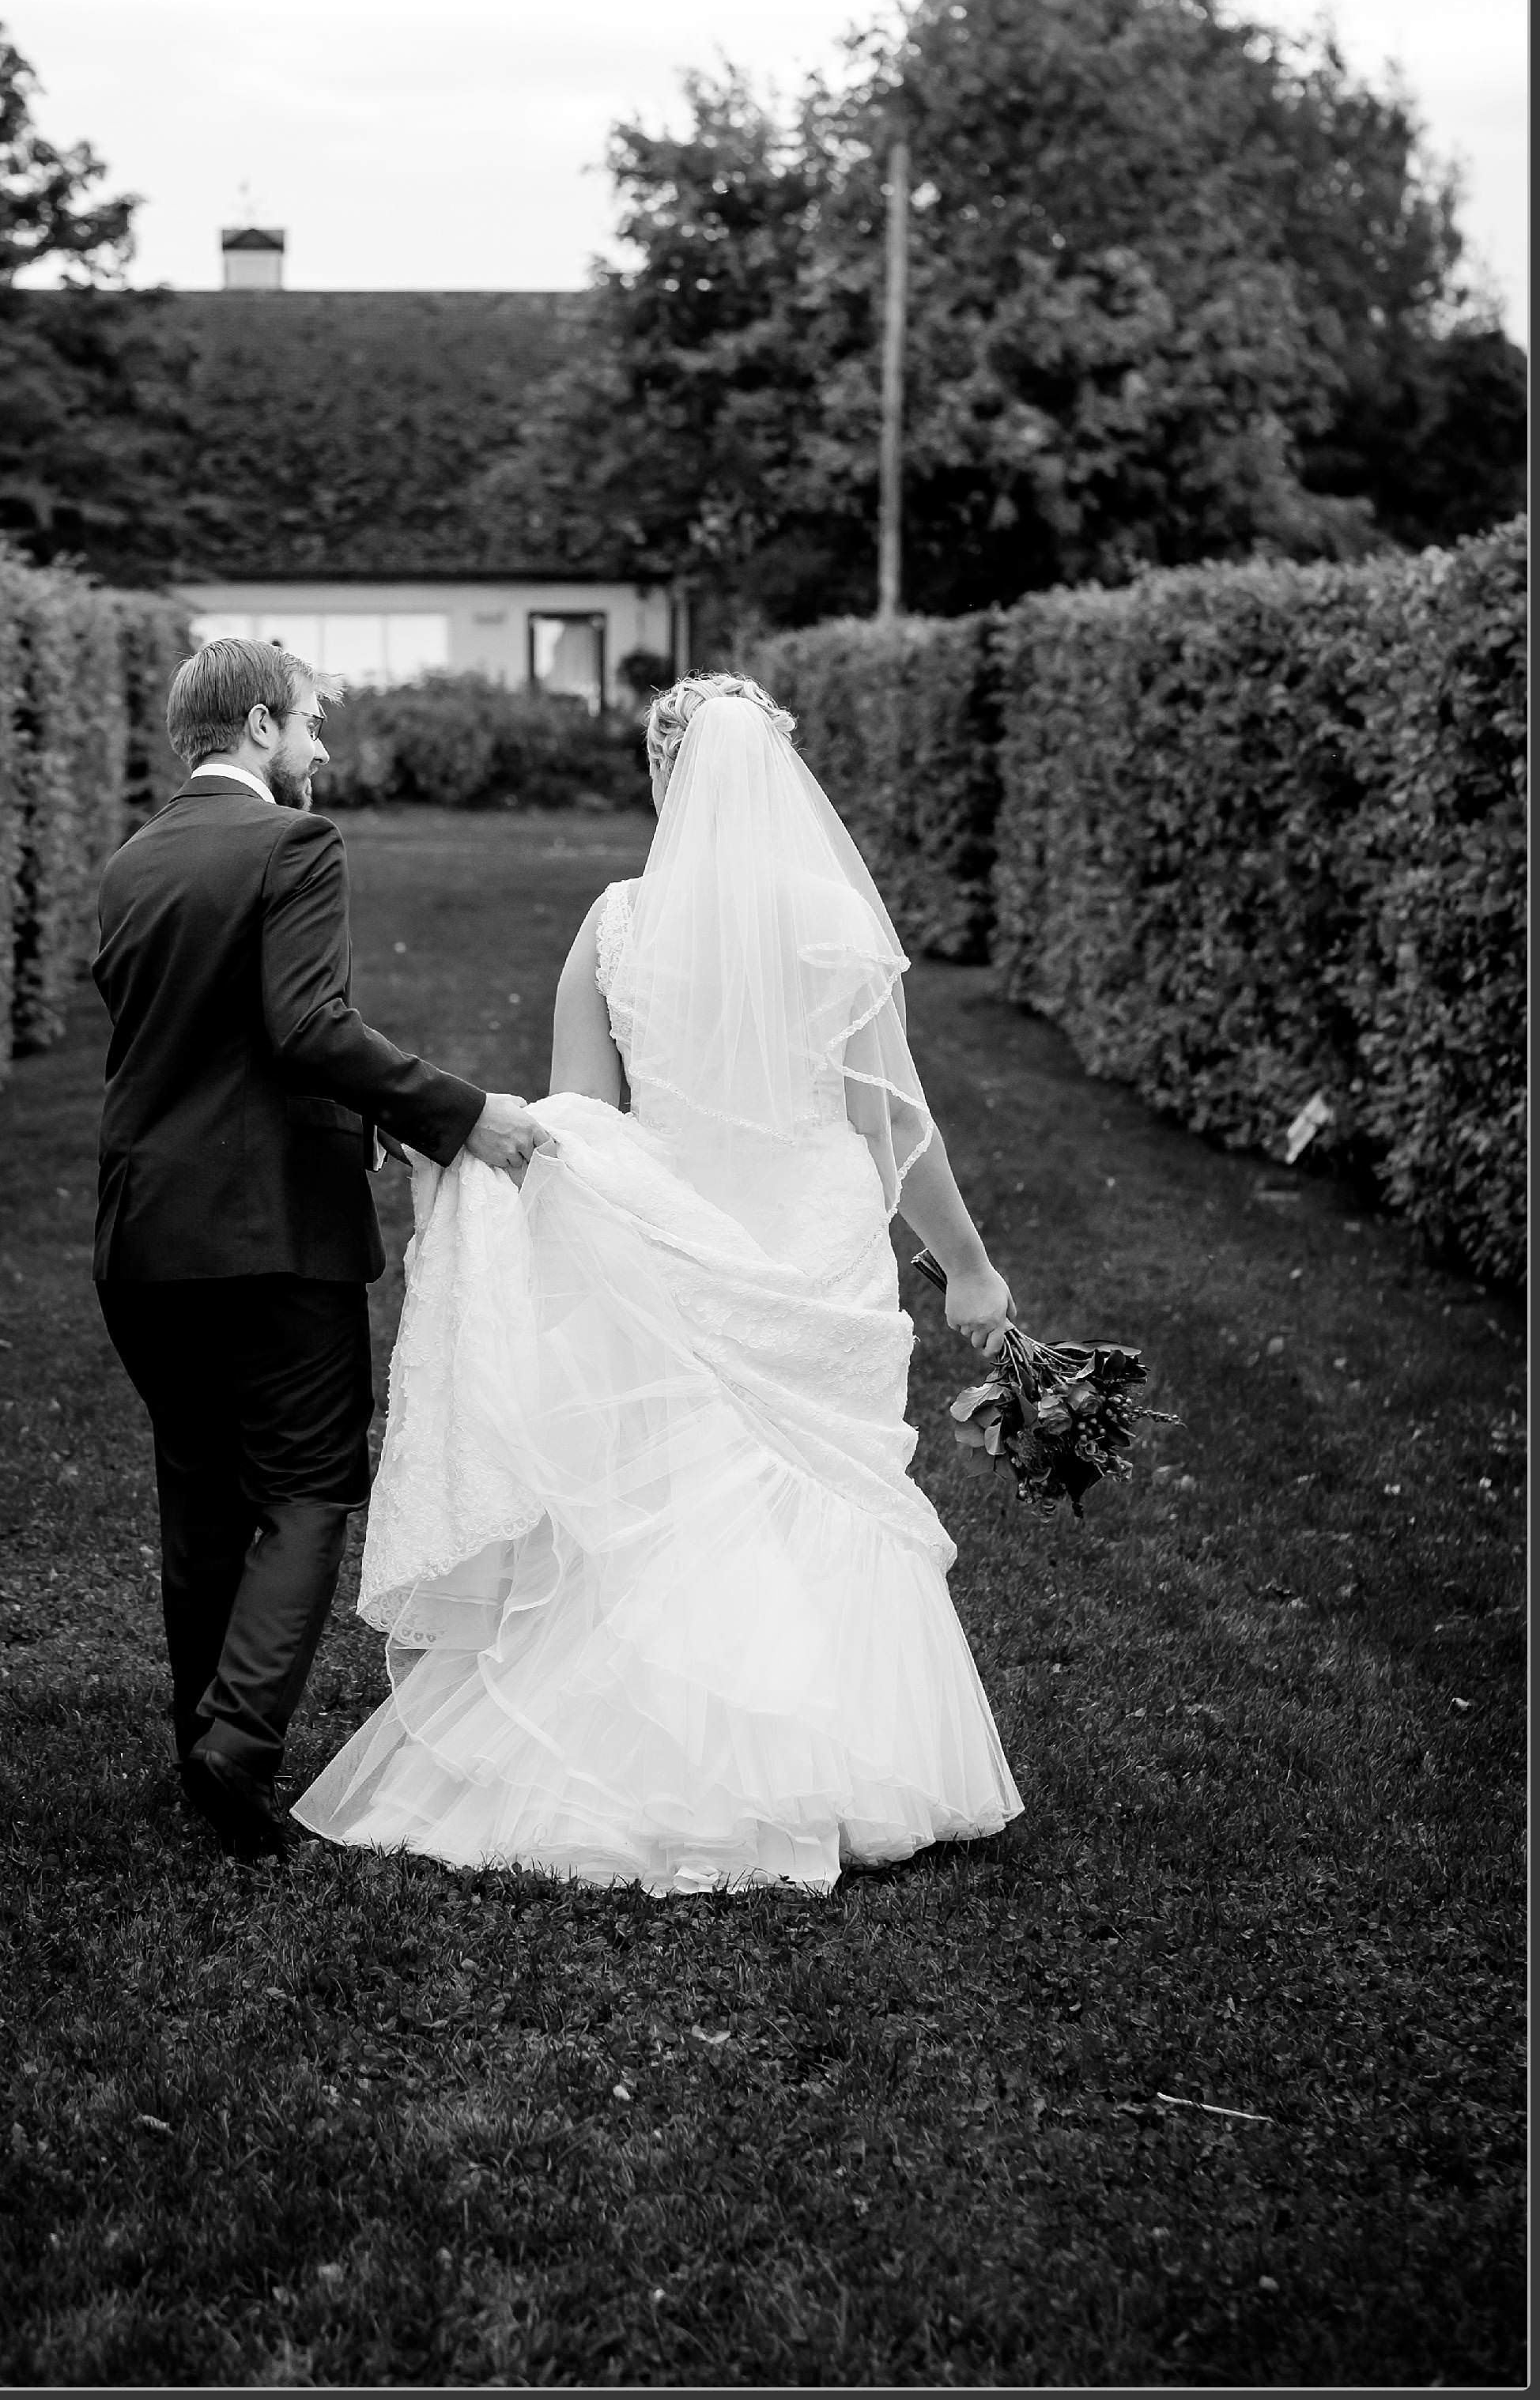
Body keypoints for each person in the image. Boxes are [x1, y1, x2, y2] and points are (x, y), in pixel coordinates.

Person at [291, 672, 1025, 1893]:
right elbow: (897, 1120)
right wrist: (971, 1266)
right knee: (817, 1489)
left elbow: (581, 1115)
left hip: (677, 1226)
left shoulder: (618, 922)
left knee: (683, 1480)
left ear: (662, 777)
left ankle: (653, 1747)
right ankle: (843, 1760)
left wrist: (480, 1153)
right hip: (816, 1230)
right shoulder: (832, 920)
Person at [90, 637, 553, 1861]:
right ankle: (239, 1744)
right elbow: (306, 1024)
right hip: (271, 1234)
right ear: (255, 727)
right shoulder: (297, 845)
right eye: (307, 724)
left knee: (197, 1485)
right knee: (307, 1483)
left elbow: (206, 1040)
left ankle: (199, 1730)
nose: (321, 749)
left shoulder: (133, 860)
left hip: (142, 1230)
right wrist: (459, 1113)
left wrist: (354, 1121)